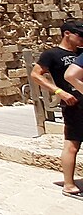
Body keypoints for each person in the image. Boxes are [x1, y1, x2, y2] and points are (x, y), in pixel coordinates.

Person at [31, 19, 83, 199]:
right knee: (72, 144)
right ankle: (68, 184)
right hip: (73, 104)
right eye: (80, 35)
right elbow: (35, 75)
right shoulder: (52, 54)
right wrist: (59, 92)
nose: (82, 39)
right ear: (67, 34)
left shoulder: (82, 52)